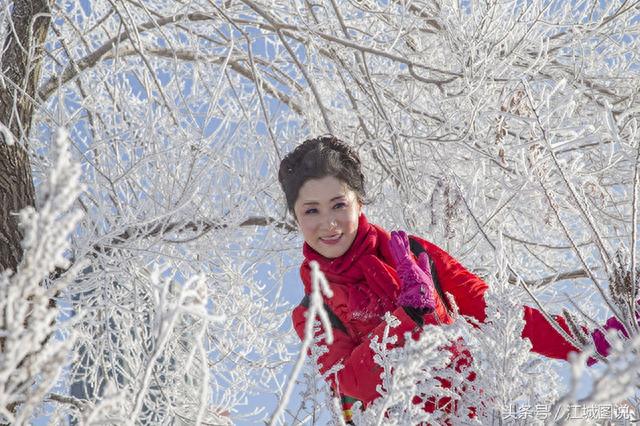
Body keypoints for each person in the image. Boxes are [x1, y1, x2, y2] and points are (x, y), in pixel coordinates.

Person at [277, 135, 625, 422]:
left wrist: (591, 342)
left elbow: (498, 315)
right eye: (311, 210)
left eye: (339, 204)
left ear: (359, 202)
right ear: (295, 216)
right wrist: (408, 315)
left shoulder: (414, 255)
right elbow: (351, 382)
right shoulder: (313, 311)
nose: (329, 223)